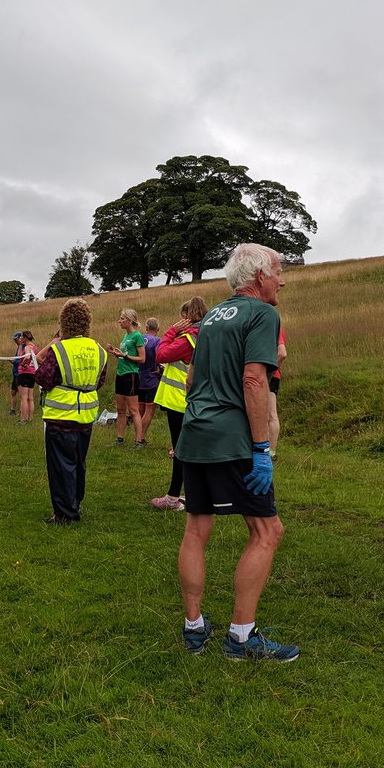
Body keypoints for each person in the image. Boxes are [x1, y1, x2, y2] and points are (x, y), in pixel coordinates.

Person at [175, 244, 299, 661]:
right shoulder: (263, 314)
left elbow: (192, 380)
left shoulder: (211, 315)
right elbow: (253, 380)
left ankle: (194, 630)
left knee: (196, 529)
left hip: (195, 433)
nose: (282, 280)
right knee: (267, 531)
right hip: (232, 439)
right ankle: (241, 639)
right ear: (260, 276)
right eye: (279, 271)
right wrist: (261, 447)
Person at [34, 299, 108, 524]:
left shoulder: (59, 349)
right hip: (85, 416)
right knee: (78, 462)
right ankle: (75, 502)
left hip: (60, 416)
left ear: (63, 323)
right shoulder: (99, 349)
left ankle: (65, 513)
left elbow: (43, 378)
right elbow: (100, 381)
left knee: (60, 466)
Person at [149, 297, 207, 511]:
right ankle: (194, 494)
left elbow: (161, 355)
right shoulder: (205, 334)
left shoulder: (189, 338)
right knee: (187, 449)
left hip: (179, 401)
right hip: (191, 400)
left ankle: (173, 498)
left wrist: (171, 331)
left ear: (187, 317)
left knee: (182, 451)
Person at [106, 309, 146, 448]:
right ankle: (119, 438)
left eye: (122, 319)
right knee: (120, 409)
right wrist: (115, 353)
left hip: (131, 375)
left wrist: (125, 356)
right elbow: (124, 354)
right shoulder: (125, 336)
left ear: (129, 320)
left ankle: (139, 441)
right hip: (120, 374)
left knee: (133, 410)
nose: (119, 321)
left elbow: (142, 358)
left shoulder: (137, 336)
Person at [137, 318, 162, 439]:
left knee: (139, 409)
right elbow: (161, 357)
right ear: (158, 329)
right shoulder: (157, 341)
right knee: (149, 410)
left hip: (138, 377)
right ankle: (140, 438)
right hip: (151, 378)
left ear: (146, 327)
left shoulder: (139, 338)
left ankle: (137, 437)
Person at [268, 325, 288, 457]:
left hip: (269, 375)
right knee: (266, 414)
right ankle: (267, 451)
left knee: (271, 413)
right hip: (270, 374)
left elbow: (282, 353)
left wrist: (270, 369)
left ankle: (271, 452)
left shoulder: (274, 327)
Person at [16, 330, 39, 423]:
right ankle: (30, 418)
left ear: (25, 338)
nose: (20, 339)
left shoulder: (27, 347)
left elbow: (27, 357)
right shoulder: (35, 347)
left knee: (24, 398)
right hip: (32, 373)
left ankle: (23, 419)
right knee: (30, 398)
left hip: (25, 373)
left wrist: (23, 364)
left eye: (21, 337)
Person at [8, 331, 21, 415]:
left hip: (20, 373)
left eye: (16, 340)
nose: (15, 342)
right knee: (13, 391)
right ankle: (13, 410)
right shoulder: (18, 348)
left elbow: (22, 360)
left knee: (21, 393)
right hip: (15, 373)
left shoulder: (23, 348)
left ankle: (22, 410)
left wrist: (14, 361)